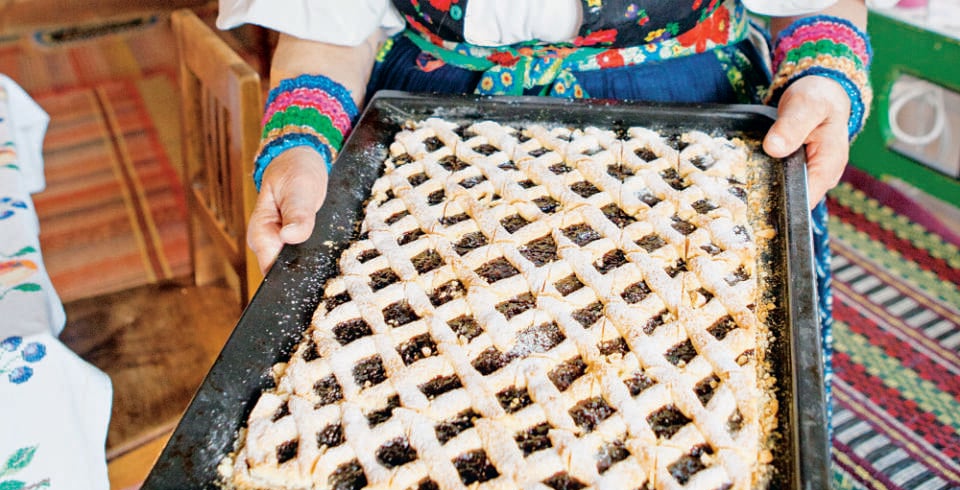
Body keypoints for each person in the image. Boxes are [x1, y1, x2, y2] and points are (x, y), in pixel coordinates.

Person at [217, 0, 872, 427]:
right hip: (438, 157)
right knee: (439, 415)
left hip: (684, 154)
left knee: (671, 418)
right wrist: (300, 146)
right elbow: (327, 32)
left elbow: (817, 6)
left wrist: (822, 78)